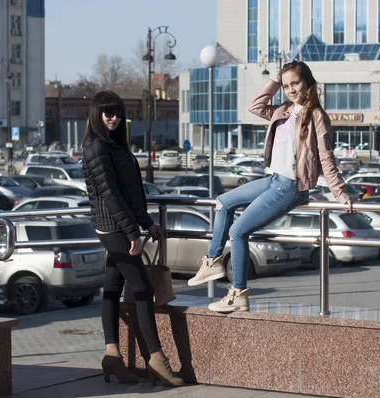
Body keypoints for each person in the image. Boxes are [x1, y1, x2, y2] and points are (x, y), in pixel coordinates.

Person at [187, 61, 353, 312]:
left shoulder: (317, 116)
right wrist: (276, 81)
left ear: (308, 82)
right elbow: (256, 106)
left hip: (291, 187)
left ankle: (238, 293)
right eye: (286, 85)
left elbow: (326, 157)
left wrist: (339, 192)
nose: (291, 89)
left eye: (295, 83)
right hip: (274, 179)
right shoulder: (283, 110)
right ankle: (212, 261)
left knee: (239, 231)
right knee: (223, 202)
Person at [82, 90, 184, 387]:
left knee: (112, 288)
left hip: (120, 225)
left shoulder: (114, 144)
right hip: (112, 228)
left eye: (117, 114)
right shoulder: (95, 148)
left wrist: (145, 221)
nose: (114, 119)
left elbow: (130, 191)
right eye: (107, 113)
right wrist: (132, 233)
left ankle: (112, 356)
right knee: (142, 289)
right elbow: (111, 196)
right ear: (96, 115)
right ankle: (156, 358)